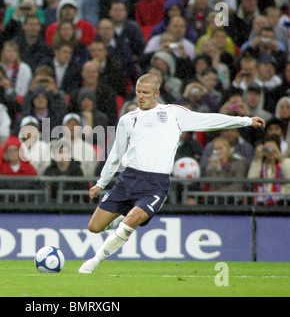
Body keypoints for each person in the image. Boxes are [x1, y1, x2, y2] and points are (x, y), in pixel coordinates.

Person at [78, 73, 265, 274]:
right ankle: (125, 215)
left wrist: (245, 121)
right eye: (138, 92)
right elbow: (115, 154)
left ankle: (93, 262)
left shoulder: (173, 114)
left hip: (155, 185)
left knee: (130, 221)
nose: (141, 96)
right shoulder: (127, 119)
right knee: (94, 227)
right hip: (128, 179)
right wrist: (101, 183)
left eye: (146, 93)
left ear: (157, 93)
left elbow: (208, 120)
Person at [248, 134, 290, 205]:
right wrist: (257, 158)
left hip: (282, 203)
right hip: (262, 203)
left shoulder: (286, 162)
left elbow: (288, 177)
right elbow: (251, 179)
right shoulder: (260, 164)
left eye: (273, 149)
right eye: (267, 149)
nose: (270, 152)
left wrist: (280, 158)